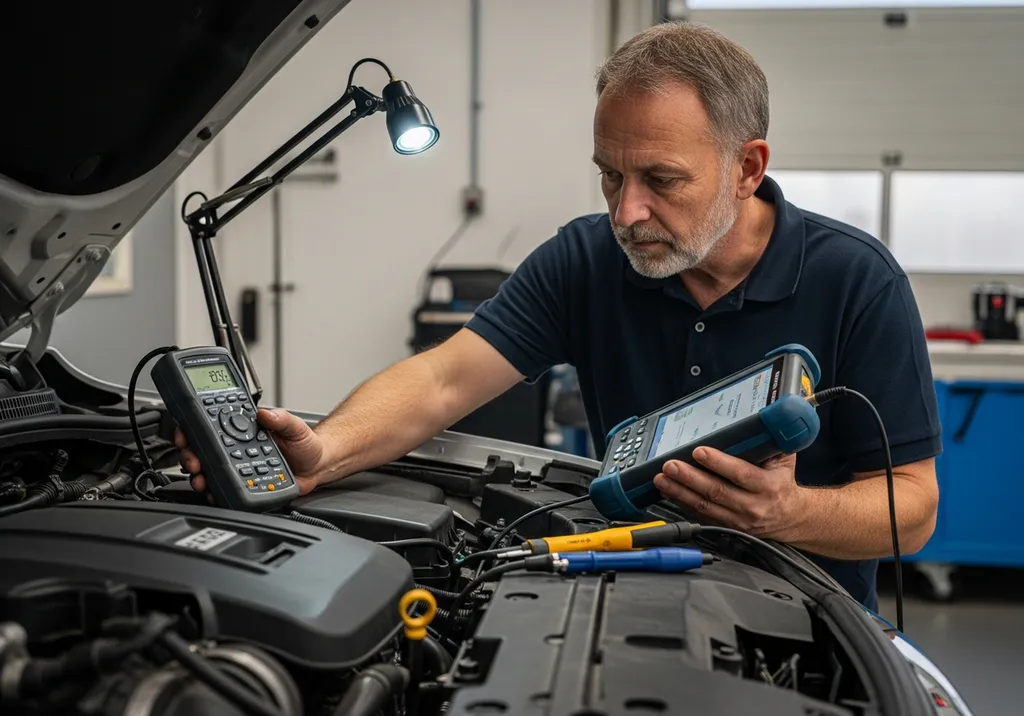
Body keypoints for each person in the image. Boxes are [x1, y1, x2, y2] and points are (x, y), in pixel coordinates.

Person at [178, 21, 940, 611]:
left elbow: (913, 505)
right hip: (626, 594)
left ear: (747, 168)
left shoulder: (856, 281)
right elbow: (444, 379)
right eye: (610, 176)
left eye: (660, 179)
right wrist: (329, 449)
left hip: (806, 616)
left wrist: (788, 513)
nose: (626, 211)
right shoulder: (586, 259)